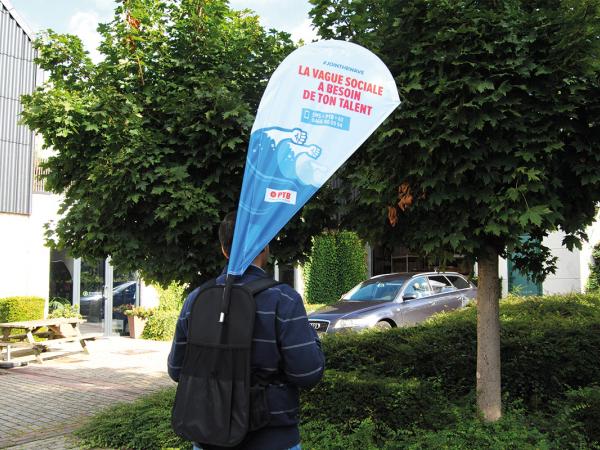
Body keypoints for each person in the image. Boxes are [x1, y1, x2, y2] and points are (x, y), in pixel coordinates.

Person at [168, 212, 325, 450]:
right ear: (265, 247)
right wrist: (313, 338)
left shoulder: (196, 299)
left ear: (224, 250)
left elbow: (177, 370)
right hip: (271, 438)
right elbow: (308, 372)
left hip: (208, 436)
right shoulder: (284, 300)